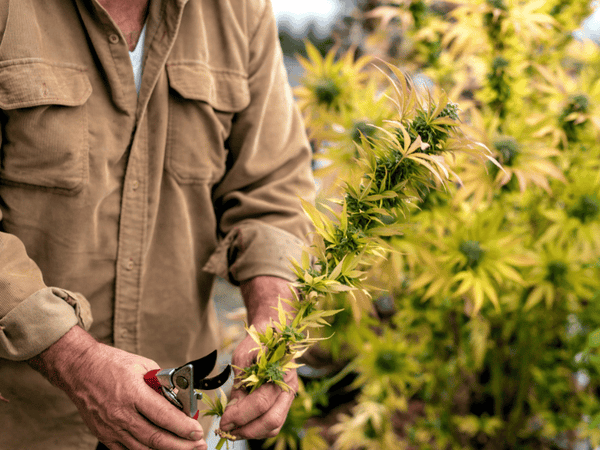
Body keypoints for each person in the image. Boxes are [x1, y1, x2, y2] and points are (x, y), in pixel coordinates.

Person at [0, 0, 315, 449]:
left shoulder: (240, 11)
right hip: (21, 420)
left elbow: (273, 188)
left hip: (178, 421)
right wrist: (73, 360)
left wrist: (274, 320)